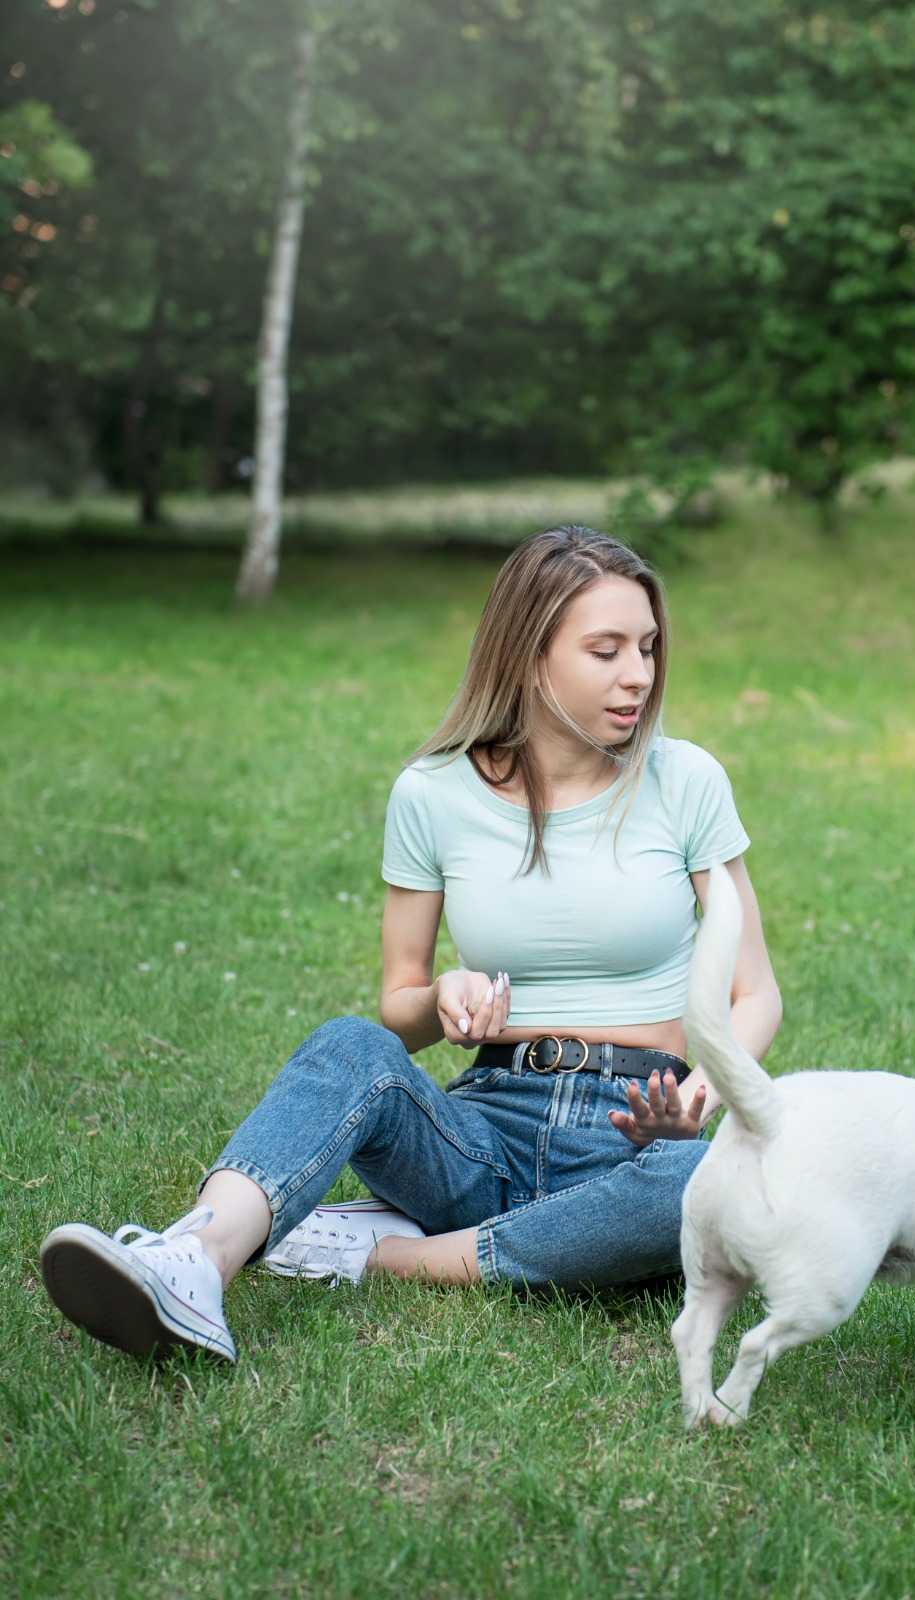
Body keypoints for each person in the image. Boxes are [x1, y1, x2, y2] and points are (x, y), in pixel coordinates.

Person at [40, 525, 781, 1363]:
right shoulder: (432, 793)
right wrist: (441, 997)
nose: (639, 674)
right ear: (529, 655)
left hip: (636, 1136)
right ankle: (195, 1260)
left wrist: (698, 1102)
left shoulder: (685, 782)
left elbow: (754, 994)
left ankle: (382, 1254)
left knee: (699, 1183)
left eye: (646, 647)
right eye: (605, 650)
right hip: (484, 1132)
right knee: (348, 1046)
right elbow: (399, 1008)